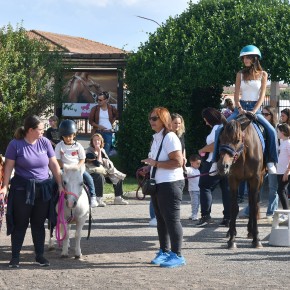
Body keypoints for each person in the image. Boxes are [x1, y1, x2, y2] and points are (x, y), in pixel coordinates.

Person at [0, 115, 63, 268]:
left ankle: (40, 256)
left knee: (38, 223)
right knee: (20, 223)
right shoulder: (15, 144)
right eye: (40, 129)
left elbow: (53, 164)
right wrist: (4, 186)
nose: (43, 132)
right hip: (22, 189)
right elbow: (8, 167)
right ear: (31, 130)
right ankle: (15, 257)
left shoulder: (45, 142)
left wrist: (60, 184)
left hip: (43, 189)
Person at [210, 45, 278, 175]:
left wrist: (254, 110)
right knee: (219, 129)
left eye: (248, 57)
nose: (245, 60)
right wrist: (239, 108)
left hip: (255, 109)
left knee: (272, 132)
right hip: (240, 108)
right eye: (244, 58)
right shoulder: (240, 74)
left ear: (255, 58)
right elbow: (236, 94)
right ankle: (214, 162)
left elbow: (262, 95)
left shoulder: (263, 74)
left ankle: (270, 161)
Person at [141, 107, 185, 268]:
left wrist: (156, 164)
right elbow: (159, 160)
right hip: (159, 183)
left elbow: (178, 162)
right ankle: (164, 251)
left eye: (155, 118)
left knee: (172, 220)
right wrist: (149, 168)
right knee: (161, 220)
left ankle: (177, 254)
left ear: (163, 120)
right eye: (150, 118)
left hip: (171, 183)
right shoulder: (157, 138)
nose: (151, 121)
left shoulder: (170, 137)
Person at [198, 107, 231, 227]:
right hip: (225, 163)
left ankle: (205, 215)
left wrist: (202, 149)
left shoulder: (217, 128)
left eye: (206, 119)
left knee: (204, 186)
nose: (205, 122)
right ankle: (228, 217)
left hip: (213, 162)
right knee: (226, 189)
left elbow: (214, 145)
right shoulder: (223, 127)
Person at [55, 120, 98, 208]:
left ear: (74, 135)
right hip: (64, 168)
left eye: (70, 136)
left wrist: (78, 167)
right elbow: (58, 159)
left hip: (77, 168)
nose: (68, 138)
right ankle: (52, 201)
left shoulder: (78, 146)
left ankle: (93, 196)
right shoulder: (59, 146)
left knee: (88, 178)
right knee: (53, 181)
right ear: (62, 136)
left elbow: (82, 159)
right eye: (65, 136)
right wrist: (64, 166)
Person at [85, 133, 128, 206]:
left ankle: (118, 198)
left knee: (117, 175)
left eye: (98, 140)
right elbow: (97, 164)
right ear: (92, 142)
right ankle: (98, 199)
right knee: (99, 177)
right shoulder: (89, 151)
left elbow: (106, 161)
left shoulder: (102, 150)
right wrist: (98, 152)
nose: (96, 142)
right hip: (93, 172)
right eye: (94, 140)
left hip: (104, 171)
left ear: (101, 142)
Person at [275, 123, 290, 221]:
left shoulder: (288, 143)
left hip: (285, 172)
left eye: (278, 131)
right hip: (279, 171)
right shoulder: (282, 141)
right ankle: (285, 216)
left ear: (283, 132)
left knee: (280, 191)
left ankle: (286, 216)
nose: (277, 133)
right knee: (281, 191)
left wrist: (287, 171)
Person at [185, 154, 201, 221]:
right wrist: (183, 163)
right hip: (193, 190)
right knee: (195, 203)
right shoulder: (190, 169)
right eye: (197, 163)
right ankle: (194, 215)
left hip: (199, 189)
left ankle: (193, 214)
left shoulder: (197, 170)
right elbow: (184, 169)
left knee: (197, 203)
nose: (199, 165)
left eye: (199, 163)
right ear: (191, 163)